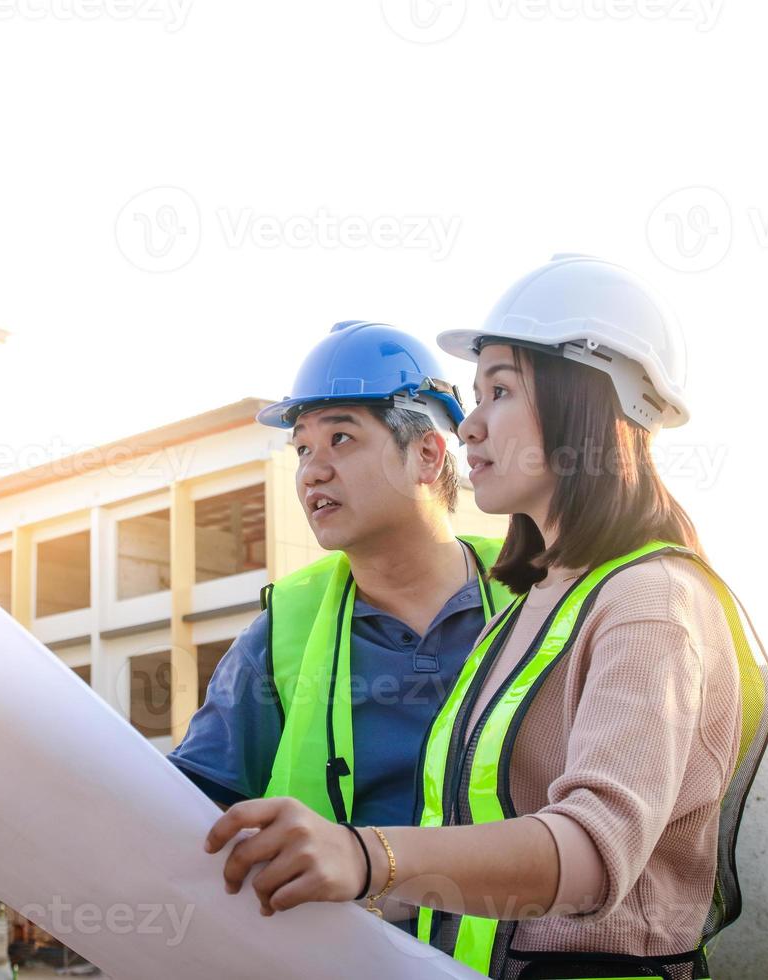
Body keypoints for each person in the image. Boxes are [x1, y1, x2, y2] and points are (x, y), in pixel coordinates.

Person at [202, 257, 768, 980]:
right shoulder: (534, 608)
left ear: (587, 405)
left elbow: (595, 852)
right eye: (303, 449)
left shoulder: (651, 601)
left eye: (499, 391)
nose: (471, 426)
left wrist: (361, 856)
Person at [168, 320, 512, 934]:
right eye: (302, 448)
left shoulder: (536, 595)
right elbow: (184, 810)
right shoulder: (283, 632)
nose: (311, 472)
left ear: (427, 456)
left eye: (342, 439)